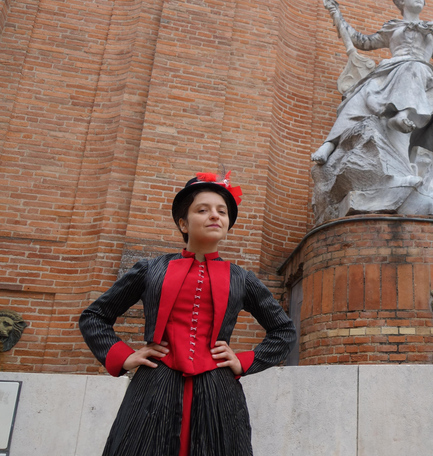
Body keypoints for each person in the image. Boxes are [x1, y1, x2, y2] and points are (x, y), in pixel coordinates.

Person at [80, 171, 296, 456]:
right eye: (202, 210)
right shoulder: (150, 269)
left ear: (228, 224)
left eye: (222, 211)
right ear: (183, 223)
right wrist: (125, 356)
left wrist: (244, 361)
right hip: (154, 388)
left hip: (218, 393)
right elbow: (95, 316)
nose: (214, 216)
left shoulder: (242, 279)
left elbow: (284, 331)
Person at [311, 0, 433, 165]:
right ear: (401, 1)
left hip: (420, 71)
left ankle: (404, 114)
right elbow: (362, 41)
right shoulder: (392, 28)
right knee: (360, 94)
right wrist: (337, 14)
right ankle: (329, 144)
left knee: (413, 67)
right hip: (391, 70)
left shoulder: (431, 32)